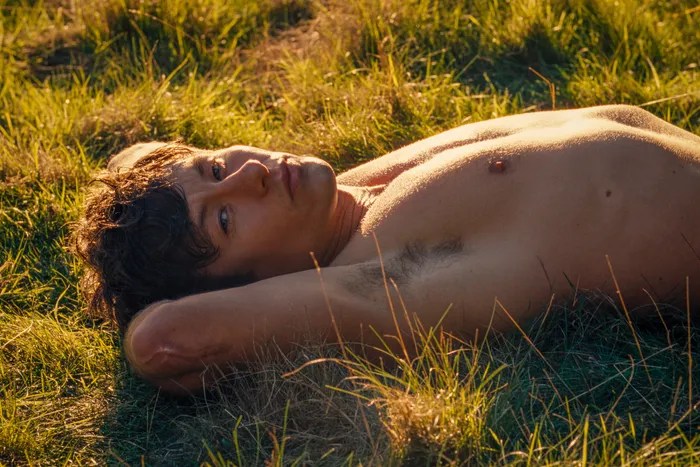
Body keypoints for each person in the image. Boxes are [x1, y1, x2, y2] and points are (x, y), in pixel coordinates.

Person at [75, 105, 700, 394]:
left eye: (215, 168)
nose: (251, 175)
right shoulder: (389, 273)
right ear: (254, 285)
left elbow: (136, 157)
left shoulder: (348, 196)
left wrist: (158, 190)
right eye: (228, 220)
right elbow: (161, 341)